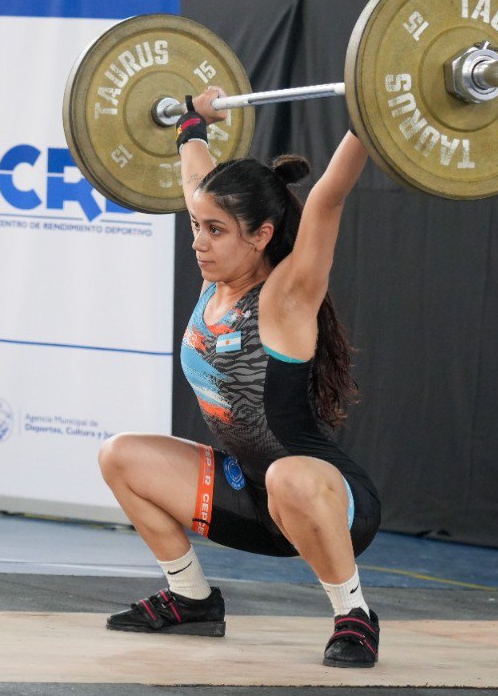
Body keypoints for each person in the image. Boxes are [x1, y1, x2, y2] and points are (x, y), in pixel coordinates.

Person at [98, 86, 381, 668]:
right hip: (247, 494)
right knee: (119, 455)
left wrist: (371, 123)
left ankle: (355, 614)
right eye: (197, 226)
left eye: (215, 231)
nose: (198, 241)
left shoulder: (285, 298)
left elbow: (327, 201)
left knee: (288, 475)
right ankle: (192, 601)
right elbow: (197, 178)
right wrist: (192, 124)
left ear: (262, 236)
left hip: (328, 503)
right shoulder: (214, 282)